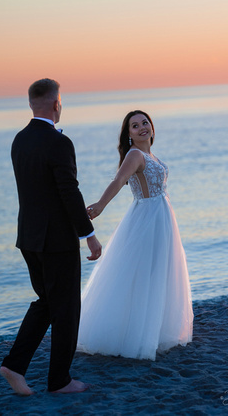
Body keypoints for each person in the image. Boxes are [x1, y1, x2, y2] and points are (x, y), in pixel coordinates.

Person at [0, 78, 102, 395]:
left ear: (33, 103)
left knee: (46, 303)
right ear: (56, 104)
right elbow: (68, 192)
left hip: (28, 238)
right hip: (56, 241)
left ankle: (14, 366)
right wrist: (90, 235)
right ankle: (59, 381)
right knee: (67, 309)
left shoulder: (19, 140)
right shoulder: (59, 142)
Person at [77, 110, 193, 360]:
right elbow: (119, 181)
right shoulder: (135, 154)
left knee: (159, 272)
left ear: (151, 126)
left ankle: (155, 329)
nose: (142, 127)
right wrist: (100, 205)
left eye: (144, 123)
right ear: (128, 134)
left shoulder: (151, 154)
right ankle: (132, 333)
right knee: (141, 273)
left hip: (162, 217)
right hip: (147, 219)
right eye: (134, 126)